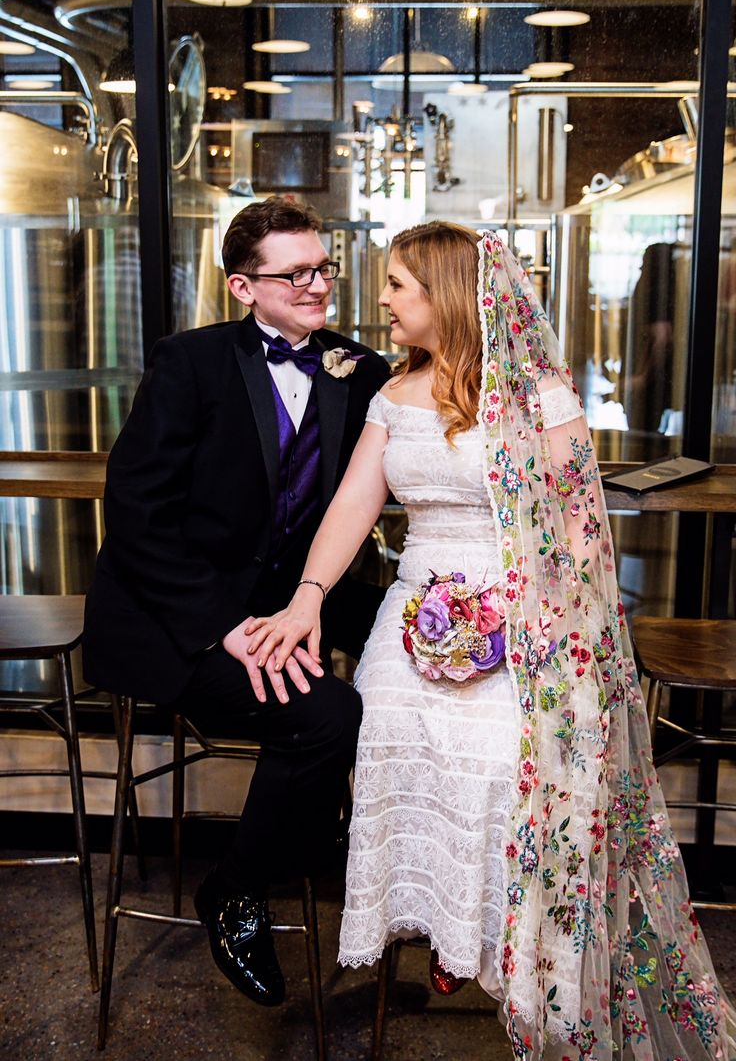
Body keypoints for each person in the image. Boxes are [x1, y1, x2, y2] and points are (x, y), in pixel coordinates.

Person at [246, 222, 736, 1059]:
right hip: (414, 616)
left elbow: (581, 540)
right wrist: (306, 599)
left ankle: (496, 946)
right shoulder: (392, 397)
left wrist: (529, 620)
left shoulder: (540, 398)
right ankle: (443, 931)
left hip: (524, 623)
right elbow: (353, 508)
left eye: (399, 283)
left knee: (508, 771)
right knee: (388, 742)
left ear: (443, 294)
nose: (385, 299)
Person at [82, 195, 390, 1008]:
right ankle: (238, 887)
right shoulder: (189, 362)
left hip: (282, 598)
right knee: (328, 715)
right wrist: (229, 631)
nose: (318, 285)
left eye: (323, 268)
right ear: (242, 287)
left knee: (408, 650)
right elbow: (137, 518)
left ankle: (358, 847)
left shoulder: (358, 371)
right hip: (174, 619)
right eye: (295, 274)